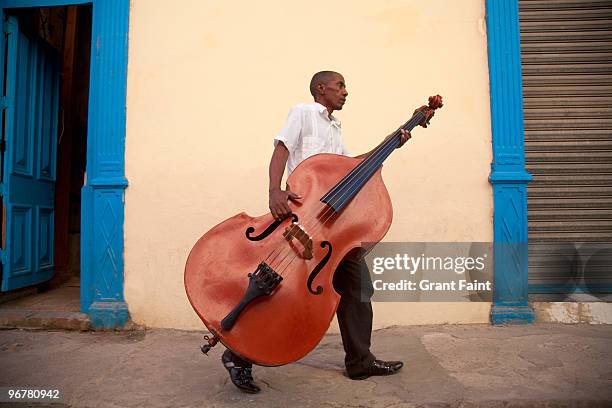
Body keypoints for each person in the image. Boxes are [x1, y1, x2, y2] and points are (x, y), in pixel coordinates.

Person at [222, 71, 411, 394]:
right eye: (339, 86)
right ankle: (238, 355)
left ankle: (360, 361)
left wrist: (392, 143)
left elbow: (347, 172)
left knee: (358, 288)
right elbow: (282, 148)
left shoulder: (336, 129)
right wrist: (274, 191)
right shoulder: (304, 113)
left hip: (330, 230)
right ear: (320, 88)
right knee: (281, 293)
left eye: (345, 86)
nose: (345, 92)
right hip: (300, 220)